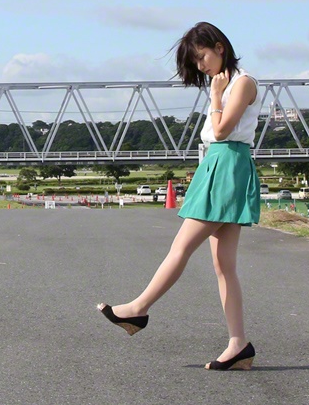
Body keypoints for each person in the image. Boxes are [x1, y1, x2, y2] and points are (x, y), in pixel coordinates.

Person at [100, 21, 260, 370]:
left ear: (220, 48)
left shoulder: (242, 83)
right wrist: (216, 94)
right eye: (195, 62)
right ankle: (239, 345)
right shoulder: (226, 83)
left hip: (227, 165)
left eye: (202, 57)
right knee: (224, 265)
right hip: (220, 165)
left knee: (182, 247)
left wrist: (216, 97)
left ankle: (138, 309)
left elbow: (222, 130)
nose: (201, 67)